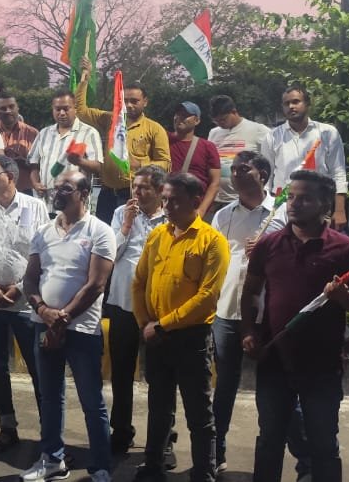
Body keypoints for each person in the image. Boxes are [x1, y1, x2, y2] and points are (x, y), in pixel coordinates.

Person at [241, 170, 349, 482]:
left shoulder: (345, 248)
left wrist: (344, 296)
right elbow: (250, 292)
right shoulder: (269, 244)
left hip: (322, 363)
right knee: (269, 439)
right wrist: (249, 331)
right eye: (292, 197)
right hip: (274, 359)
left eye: (305, 198)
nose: (294, 204)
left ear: (325, 204)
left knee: (323, 444)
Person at [19, 170, 117, 482]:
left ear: (84, 194)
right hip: (43, 325)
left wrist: (61, 319)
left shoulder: (100, 231)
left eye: (66, 188)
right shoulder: (44, 232)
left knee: (91, 401)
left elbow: (96, 285)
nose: (57, 192)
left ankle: (100, 467)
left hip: (81, 330)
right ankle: (52, 460)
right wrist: (43, 310)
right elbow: (30, 279)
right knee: (50, 397)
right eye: (57, 187)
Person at [130, 173, 229, 482]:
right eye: (165, 199)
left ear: (195, 201)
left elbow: (207, 297)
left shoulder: (212, 241)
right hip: (155, 336)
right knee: (159, 408)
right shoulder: (158, 235)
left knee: (199, 413)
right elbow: (139, 281)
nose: (167, 206)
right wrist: (145, 323)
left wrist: (163, 325)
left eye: (175, 200)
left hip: (191, 339)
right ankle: (153, 465)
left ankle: (204, 472)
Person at [208, 151, 284, 471]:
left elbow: (292, 258)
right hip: (227, 308)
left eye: (245, 169)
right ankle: (215, 452)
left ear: (262, 175)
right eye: (234, 169)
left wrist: (268, 250)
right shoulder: (223, 215)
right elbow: (214, 259)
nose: (237, 174)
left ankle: (271, 460)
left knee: (271, 390)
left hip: (267, 311)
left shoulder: (281, 214)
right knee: (223, 385)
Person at [0, 155, 49, 455]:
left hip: (25, 303)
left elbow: (42, 252)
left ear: (11, 176)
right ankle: (7, 426)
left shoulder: (35, 207)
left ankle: (49, 432)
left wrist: (20, 287)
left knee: (38, 367)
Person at [106, 164, 169, 456]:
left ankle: (163, 439)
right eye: (135, 187)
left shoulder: (171, 216)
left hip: (159, 308)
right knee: (121, 372)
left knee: (161, 376)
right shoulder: (122, 213)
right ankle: (121, 431)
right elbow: (110, 254)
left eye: (144, 187)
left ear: (159, 190)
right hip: (124, 304)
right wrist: (126, 226)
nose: (137, 192)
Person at [75, 61, 171, 223]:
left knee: (132, 235)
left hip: (134, 194)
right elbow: (80, 111)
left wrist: (141, 164)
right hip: (107, 193)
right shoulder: (110, 119)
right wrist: (85, 77)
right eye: (125, 100)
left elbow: (166, 164)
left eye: (134, 101)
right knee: (105, 235)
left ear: (145, 101)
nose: (129, 105)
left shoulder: (155, 129)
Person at [257, 85, 348, 230]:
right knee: (281, 244)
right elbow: (266, 177)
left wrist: (340, 210)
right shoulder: (272, 137)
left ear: (307, 104)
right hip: (281, 206)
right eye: (286, 103)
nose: (291, 106)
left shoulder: (327, 133)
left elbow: (338, 173)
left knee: (316, 244)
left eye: (296, 101)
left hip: (318, 205)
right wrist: (265, 210)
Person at [27, 90, 102, 204]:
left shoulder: (89, 132)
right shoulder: (44, 133)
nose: (62, 113)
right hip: (45, 201)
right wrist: (35, 183)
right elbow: (34, 165)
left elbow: (97, 167)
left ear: (75, 108)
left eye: (66, 109)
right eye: (57, 109)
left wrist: (80, 161)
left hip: (74, 202)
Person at [207, 96, 270, 213]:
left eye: (223, 119)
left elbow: (271, 162)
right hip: (218, 200)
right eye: (216, 121)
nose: (220, 123)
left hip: (247, 201)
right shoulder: (213, 133)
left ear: (234, 112)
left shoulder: (259, 130)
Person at [169, 102, 222, 216]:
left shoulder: (207, 147)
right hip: (167, 207)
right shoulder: (162, 140)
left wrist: (201, 210)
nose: (179, 117)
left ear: (197, 121)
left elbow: (215, 183)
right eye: (178, 114)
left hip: (194, 209)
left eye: (185, 115)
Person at [0, 92, 39, 189]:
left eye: (11, 107)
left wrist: (25, 163)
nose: (8, 111)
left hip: (26, 189)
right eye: (3, 108)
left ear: (17, 108)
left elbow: (41, 164)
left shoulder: (33, 133)